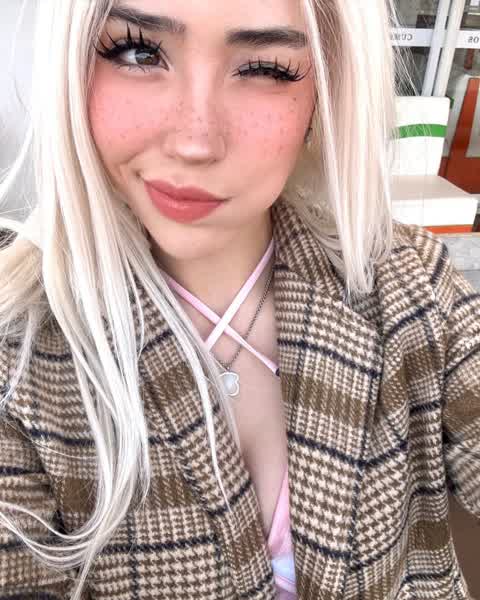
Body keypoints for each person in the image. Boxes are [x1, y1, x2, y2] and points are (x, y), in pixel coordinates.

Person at [0, 0, 478, 599]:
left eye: (264, 68)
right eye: (138, 52)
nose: (194, 142)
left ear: (325, 92)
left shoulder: (411, 283)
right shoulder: (17, 354)